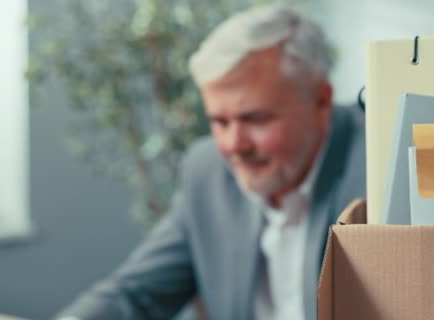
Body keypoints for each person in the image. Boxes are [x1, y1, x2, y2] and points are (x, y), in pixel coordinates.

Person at [58, 5, 365, 320]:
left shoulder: (377, 170)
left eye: (256, 119)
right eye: (219, 121)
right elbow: (135, 296)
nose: (234, 146)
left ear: (321, 102)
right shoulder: (208, 170)